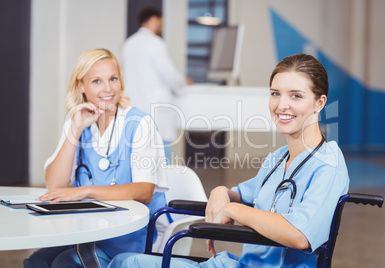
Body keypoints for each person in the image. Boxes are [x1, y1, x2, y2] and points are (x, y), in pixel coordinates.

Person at [107, 53, 350, 267]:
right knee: (125, 261)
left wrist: (234, 209)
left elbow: (299, 235)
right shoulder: (278, 159)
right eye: (275, 94)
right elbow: (244, 194)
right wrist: (222, 191)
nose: (281, 105)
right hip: (239, 264)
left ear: (319, 103)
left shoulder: (328, 166)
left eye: (296, 96)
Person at [23, 48, 169, 268]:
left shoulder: (139, 124)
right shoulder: (78, 123)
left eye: (113, 79)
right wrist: (76, 129)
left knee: (65, 264)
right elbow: (55, 185)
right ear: (80, 86)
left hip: (133, 234)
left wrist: (85, 191)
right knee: (37, 262)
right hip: (89, 231)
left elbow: (144, 191)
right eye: (96, 81)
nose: (108, 88)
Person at [122, 7, 193, 164]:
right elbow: (169, 75)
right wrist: (183, 82)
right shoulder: (155, 43)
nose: (162, 26)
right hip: (155, 111)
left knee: (139, 158)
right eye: (161, 22)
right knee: (162, 162)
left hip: (134, 108)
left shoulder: (129, 43)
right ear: (154, 20)